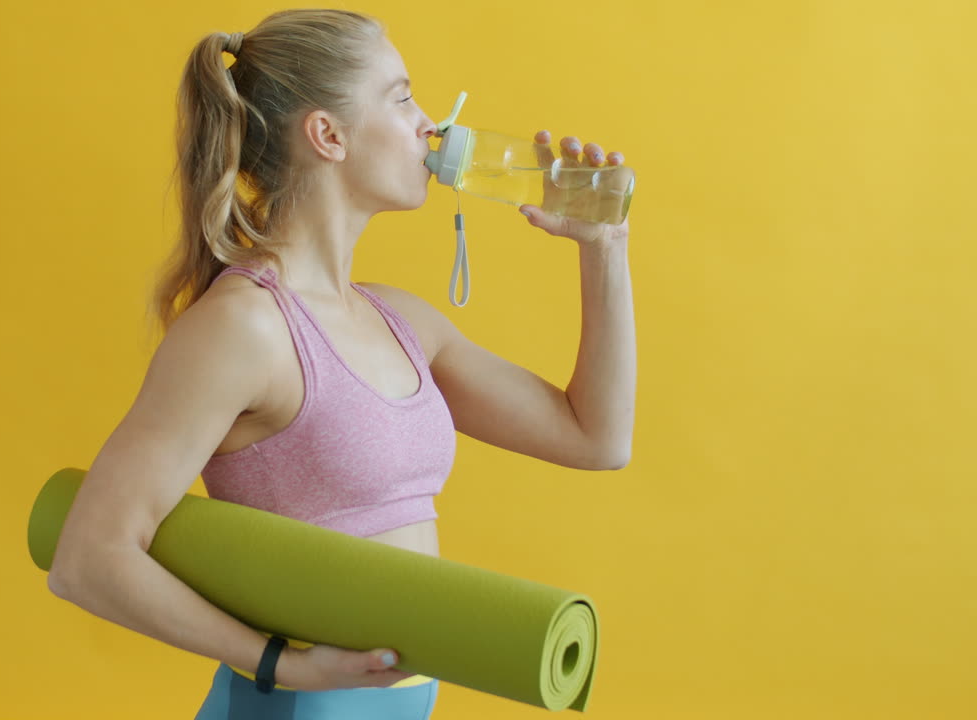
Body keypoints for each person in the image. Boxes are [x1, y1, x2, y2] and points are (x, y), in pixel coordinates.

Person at [47, 8, 635, 719]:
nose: (431, 127)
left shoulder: (402, 320)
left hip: (401, 706)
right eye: (401, 97)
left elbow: (595, 437)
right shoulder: (245, 329)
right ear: (327, 135)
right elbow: (90, 556)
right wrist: (280, 666)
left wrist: (604, 246)